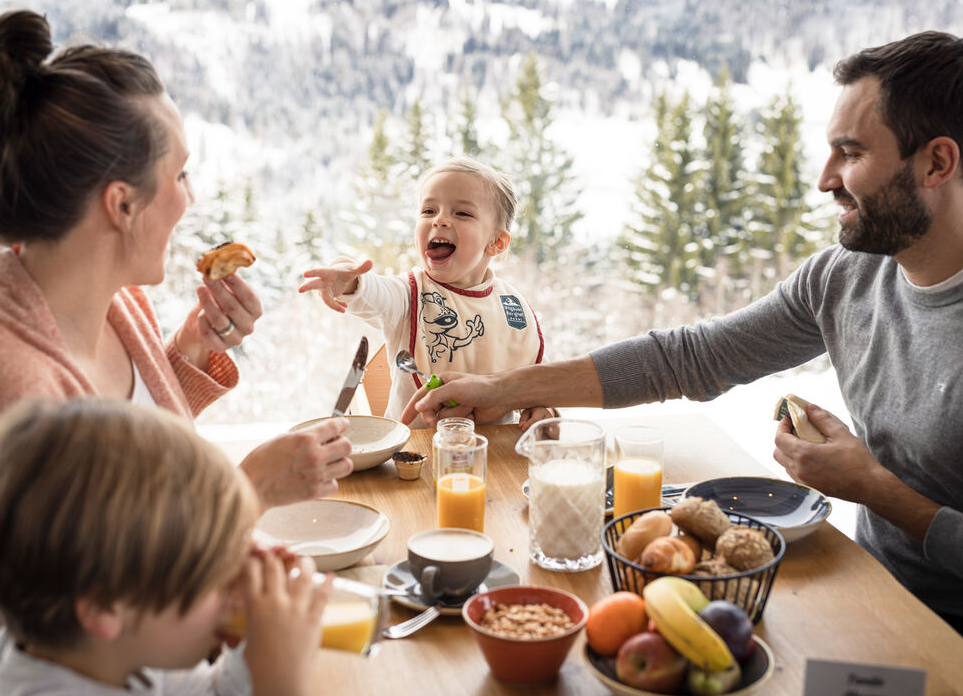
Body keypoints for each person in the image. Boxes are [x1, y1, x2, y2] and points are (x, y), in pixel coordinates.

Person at [405, 31, 963, 631]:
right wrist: (500, 389)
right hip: (872, 591)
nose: (824, 178)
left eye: (850, 154)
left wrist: (875, 488)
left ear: (937, 162)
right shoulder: (846, 277)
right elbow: (690, 358)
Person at [0, 10, 352, 694]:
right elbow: (96, 597)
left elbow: (121, 451)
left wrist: (186, 353)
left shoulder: (110, 298)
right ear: (120, 204)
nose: (190, 198)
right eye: (179, 175)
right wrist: (250, 488)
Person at [0, 397, 331, 695]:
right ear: (104, 607)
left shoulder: (107, 644)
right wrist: (282, 684)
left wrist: (258, 646)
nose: (233, 586)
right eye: (212, 574)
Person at [298, 157, 555, 428]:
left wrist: (545, 408)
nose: (440, 220)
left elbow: (540, 380)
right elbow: (373, 290)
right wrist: (345, 278)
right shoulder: (409, 294)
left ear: (497, 242)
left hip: (494, 458)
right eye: (429, 211)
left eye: (462, 213)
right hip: (412, 456)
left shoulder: (511, 307)